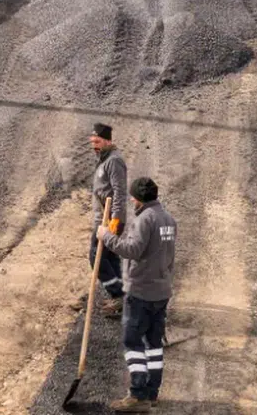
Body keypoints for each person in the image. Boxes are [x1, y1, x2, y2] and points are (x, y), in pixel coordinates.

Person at [97, 176, 177, 413]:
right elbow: (169, 255)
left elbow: (132, 250)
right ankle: (152, 393)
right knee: (153, 344)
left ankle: (138, 394)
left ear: (139, 199)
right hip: (161, 291)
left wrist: (106, 236)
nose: (131, 200)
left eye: (133, 197)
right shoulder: (169, 220)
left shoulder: (145, 220)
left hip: (141, 292)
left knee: (132, 341)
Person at [90, 122, 128, 314]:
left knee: (96, 257)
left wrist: (116, 219)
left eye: (97, 141)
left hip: (109, 220)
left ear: (106, 140)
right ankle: (121, 295)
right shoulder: (104, 159)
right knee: (110, 258)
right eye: (92, 141)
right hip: (101, 218)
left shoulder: (114, 160)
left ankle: (117, 295)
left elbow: (120, 192)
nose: (94, 145)